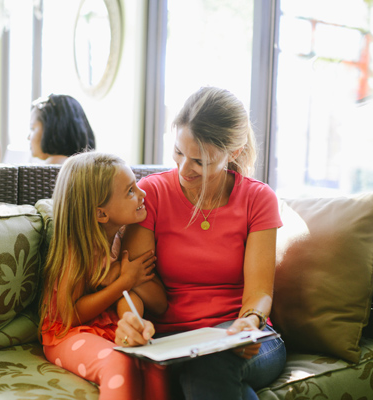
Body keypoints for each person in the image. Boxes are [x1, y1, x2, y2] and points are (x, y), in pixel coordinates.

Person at [115, 86, 287, 400]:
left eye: (199, 161)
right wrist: (131, 318)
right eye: (179, 152)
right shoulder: (151, 194)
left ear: (233, 153)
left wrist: (250, 322)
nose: (183, 169)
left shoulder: (258, 199)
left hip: (245, 336)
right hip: (173, 341)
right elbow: (136, 282)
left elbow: (260, 291)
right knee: (205, 371)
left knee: (207, 365)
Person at [39, 151, 169, 400]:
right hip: (65, 333)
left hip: (107, 329)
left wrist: (131, 320)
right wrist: (123, 281)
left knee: (155, 363)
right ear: (101, 214)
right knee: (118, 363)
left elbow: (151, 301)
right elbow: (71, 314)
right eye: (131, 191)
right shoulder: (77, 252)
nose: (142, 194)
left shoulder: (122, 242)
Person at [28, 94, 95, 164]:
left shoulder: (54, 163)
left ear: (52, 130)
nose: (28, 137)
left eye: (32, 128)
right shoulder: (83, 165)